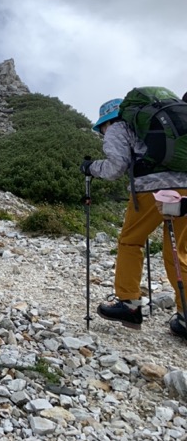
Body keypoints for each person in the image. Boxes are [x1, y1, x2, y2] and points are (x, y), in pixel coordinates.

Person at [81, 98, 187, 341]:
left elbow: (115, 167)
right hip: (184, 190)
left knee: (131, 242)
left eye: (101, 129)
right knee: (178, 251)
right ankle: (185, 316)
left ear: (106, 121)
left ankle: (129, 304)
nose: (103, 133)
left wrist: (90, 168)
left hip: (151, 189)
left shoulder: (118, 127)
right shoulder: (155, 126)